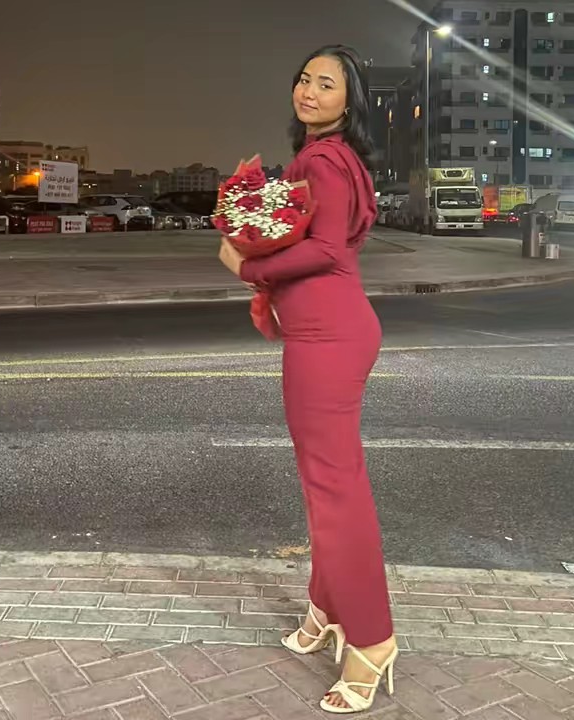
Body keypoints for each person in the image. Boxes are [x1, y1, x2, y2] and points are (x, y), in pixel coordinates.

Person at [218, 45, 397, 714]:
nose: (308, 90)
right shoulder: (336, 157)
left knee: (335, 491)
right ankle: (327, 606)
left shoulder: (322, 160)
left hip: (328, 337)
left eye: (326, 83)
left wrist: (246, 265)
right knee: (325, 483)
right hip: (332, 330)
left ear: (350, 101)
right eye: (303, 79)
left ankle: (372, 639)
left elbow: (324, 250)